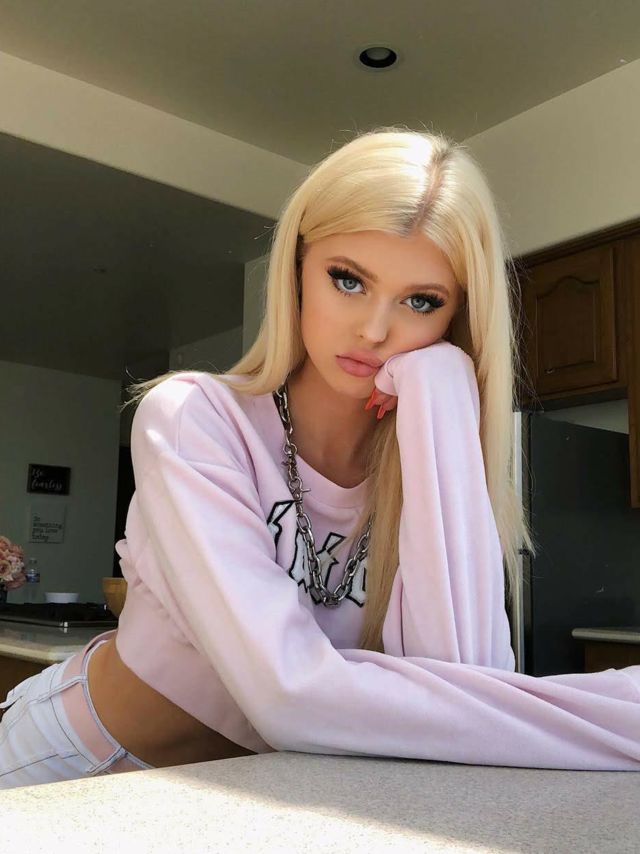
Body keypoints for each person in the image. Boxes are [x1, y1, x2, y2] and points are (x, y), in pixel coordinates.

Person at [1, 128, 638, 789]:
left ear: (455, 319)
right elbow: (287, 698)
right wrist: (620, 716)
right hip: (74, 765)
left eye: (422, 301)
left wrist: (443, 390)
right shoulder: (194, 419)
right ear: (297, 270)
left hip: (244, 799)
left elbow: (466, 680)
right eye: (348, 280)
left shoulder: (419, 458)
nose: (374, 329)